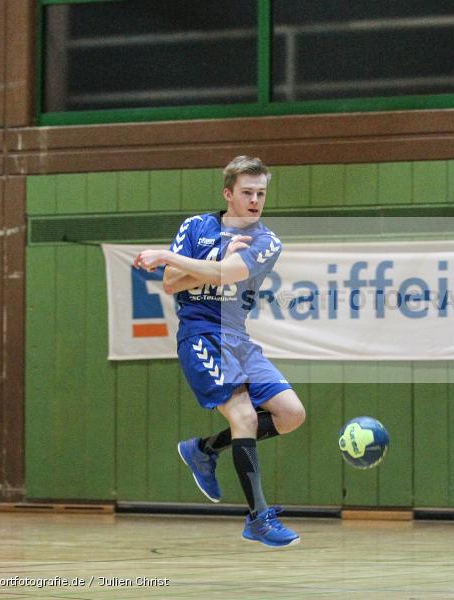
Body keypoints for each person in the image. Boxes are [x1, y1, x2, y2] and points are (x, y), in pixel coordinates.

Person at [134, 156, 306, 546]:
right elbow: (171, 285)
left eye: (261, 193)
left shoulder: (267, 241)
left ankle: (204, 450)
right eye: (247, 192)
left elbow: (223, 274)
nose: (255, 200)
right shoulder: (197, 227)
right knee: (244, 415)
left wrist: (169, 256)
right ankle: (258, 519)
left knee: (291, 414)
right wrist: (212, 259)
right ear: (228, 193)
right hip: (200, 334)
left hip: (237, 338)